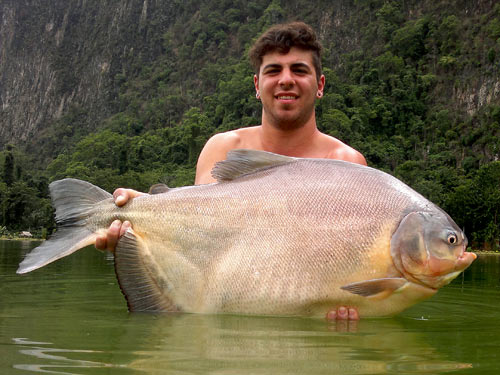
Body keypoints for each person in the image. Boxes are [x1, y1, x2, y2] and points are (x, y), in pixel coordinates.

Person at [96, 21, 366, 321]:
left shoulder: (346, 165)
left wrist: (359, 305)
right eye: (274, 70)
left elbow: (355, 265)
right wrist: (142, 217)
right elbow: (198, 239)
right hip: (224, 321)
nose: (286, 80)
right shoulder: (224, 148)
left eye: (299, 70)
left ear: (320, 85)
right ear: (256, 85)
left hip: (312, 325)